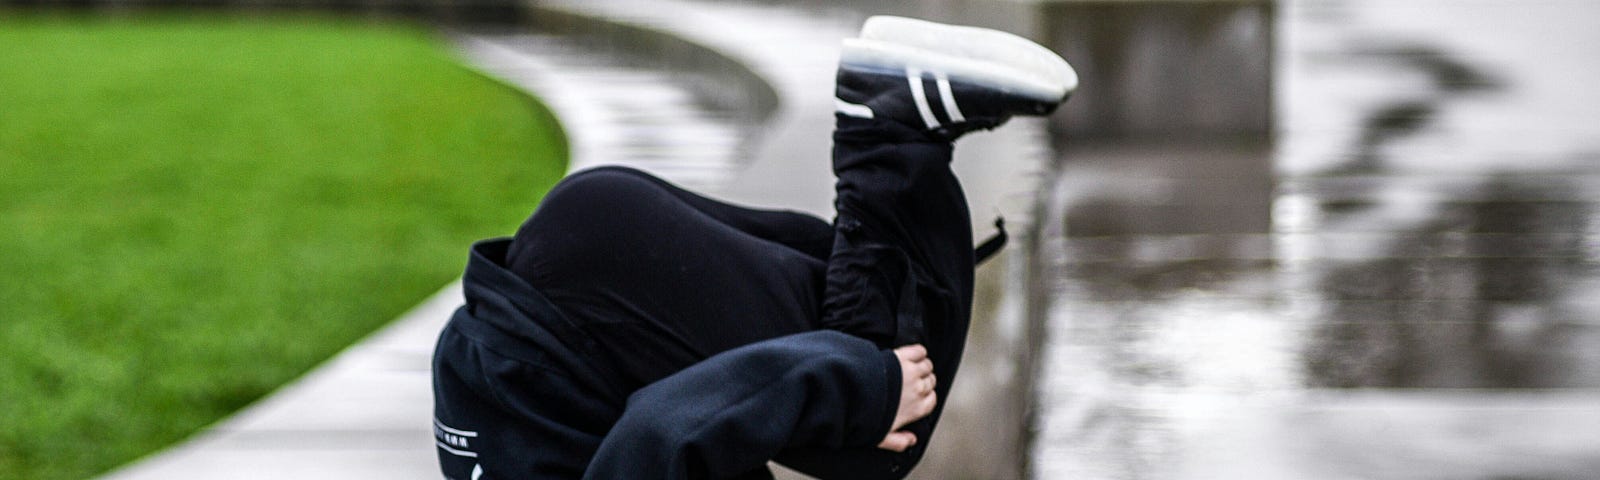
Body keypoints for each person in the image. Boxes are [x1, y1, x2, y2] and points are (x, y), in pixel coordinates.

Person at [431, 15, 1077, 480]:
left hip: (582, 295)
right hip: (574, 268)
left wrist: (860, 384)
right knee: (854, 332)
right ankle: (900, 118)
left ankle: (890, 125)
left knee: (875, 423)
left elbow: (660, 431)